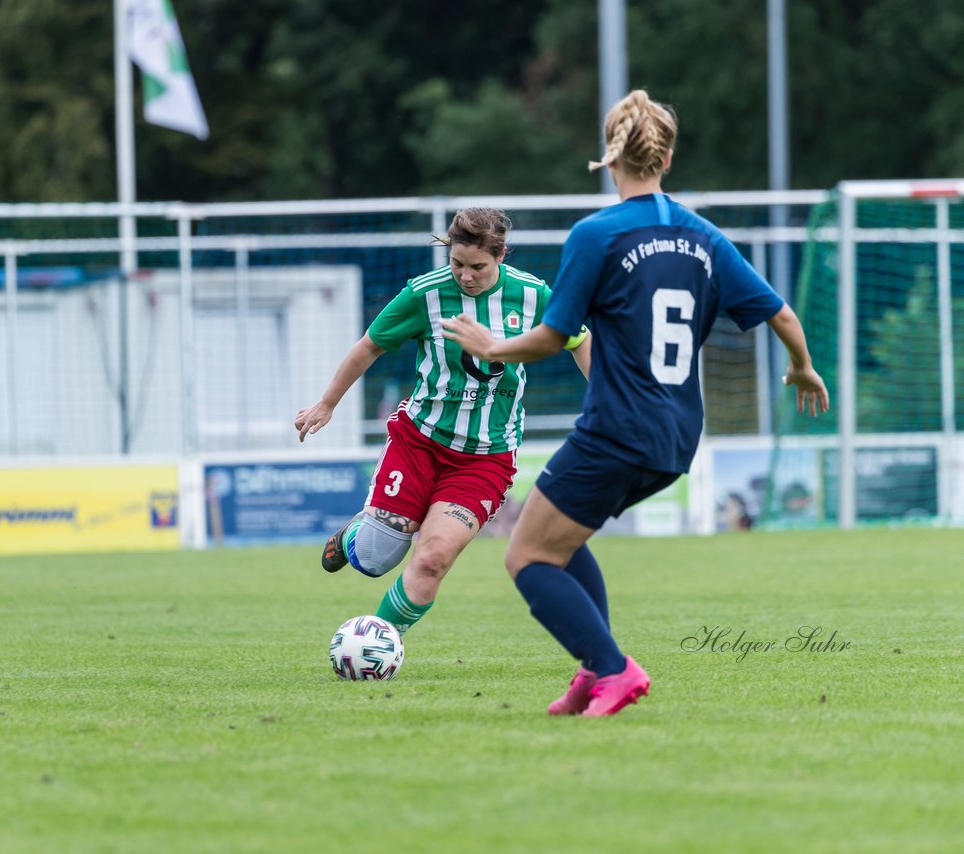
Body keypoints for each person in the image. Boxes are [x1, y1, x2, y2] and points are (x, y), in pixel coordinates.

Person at [441, 90, 829, 717]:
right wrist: (803, 368)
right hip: (676, 440)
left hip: (617, 429)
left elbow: (552, 336)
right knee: (564, 537)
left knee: (527, 555)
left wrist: (492, 347)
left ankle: (614, 669)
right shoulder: (704, 236)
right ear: (667, 156)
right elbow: (781, 312)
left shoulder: (597, 234)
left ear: (609, 156)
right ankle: (596, 669)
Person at [294, 208, 590, 637]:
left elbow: (580, 340)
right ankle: (354, 534)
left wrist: (606, 400)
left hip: (485, 459)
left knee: (432, 558)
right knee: (376, 559)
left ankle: (377, 641)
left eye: (477, 267)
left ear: (501, 254)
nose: (465, 276)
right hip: (419, 443)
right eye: (457, 263)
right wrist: (327, 402)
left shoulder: (534, 296)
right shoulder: (424, 295)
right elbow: (369, 347)